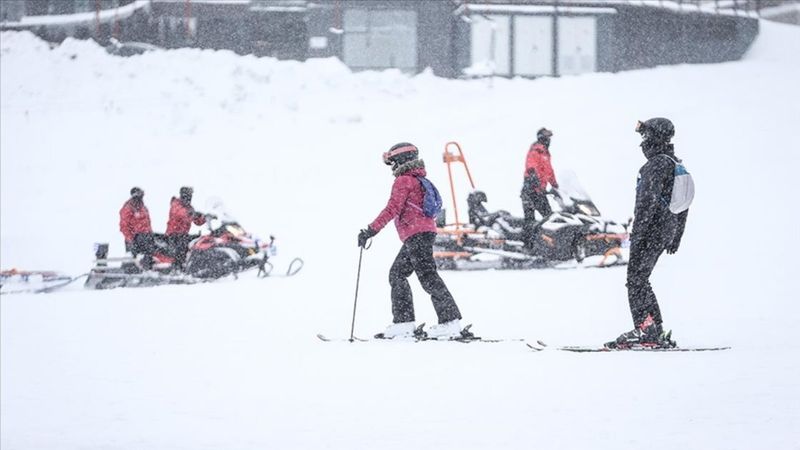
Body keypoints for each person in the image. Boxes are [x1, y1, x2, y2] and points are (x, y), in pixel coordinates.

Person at [358, 142, 464, 340]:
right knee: (397, 274)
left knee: (427, 276)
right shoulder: (418, 179)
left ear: (401, 160)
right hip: (421, 233)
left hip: (416, 234)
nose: (392, 168)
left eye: (392, 163)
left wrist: (370, 230)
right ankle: (404, 323)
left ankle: (449, 322)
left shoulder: (404, 181)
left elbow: (392, 209)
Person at [607, 117, 689, 349]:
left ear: (654, 137)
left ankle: (645, 329)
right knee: (641, 279)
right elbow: (683, 206)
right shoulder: (674, 163)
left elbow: (646, 202)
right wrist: (676, 234)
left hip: (651, 230)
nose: (642, 143)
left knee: (635, 279)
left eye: (644, 137)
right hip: (665, 230)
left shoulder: (654, 166)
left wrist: (638, 233)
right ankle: (654, 328)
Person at [520, 127, 559, 248]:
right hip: (530, 191)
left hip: (539, 192)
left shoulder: (545, 154)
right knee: (530, 220)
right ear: (542, 138)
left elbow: (549, 172)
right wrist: (533, 178)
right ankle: (527, 247)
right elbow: (531, 166)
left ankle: (548, 245)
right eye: (547, 137)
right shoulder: (536, 151)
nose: (549, 140)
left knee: (549, 218)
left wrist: (555, 185)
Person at [165, 186, 207, 269]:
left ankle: (196, 264)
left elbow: (198, 222)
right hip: (174, 235)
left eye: (190, 196)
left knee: (199, 241)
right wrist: (192, 213)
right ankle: (178, 266)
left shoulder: (189, 207)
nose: (189, 198)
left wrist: (205, 217)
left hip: (184, 234)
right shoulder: (176, 204)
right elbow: (181, 213)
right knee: (182, 246)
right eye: (187, 195)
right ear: (183, 195)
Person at [119, 187, 155, 269]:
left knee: (151, 253)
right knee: (138, 259)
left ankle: (149, 269)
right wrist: (131, 239)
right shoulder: (128, 208)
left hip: (146, 236)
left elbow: (147, 223)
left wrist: (150, 233)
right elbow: (124, 225)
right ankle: (142, 271)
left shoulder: (143, 208)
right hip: (136, 238)